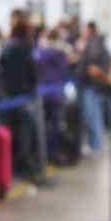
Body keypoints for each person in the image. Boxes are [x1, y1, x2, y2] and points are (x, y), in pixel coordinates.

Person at [0, 12, 39, 178]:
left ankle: (11, 166)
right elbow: (32, 73)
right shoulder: (27, 48)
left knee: (11, 132)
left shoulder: (6, 47)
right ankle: (24, 165)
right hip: (23, 96)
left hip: (7, 96)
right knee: (25, 132)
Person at [34, 28, 71, 164]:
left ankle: (42, 154)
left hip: (41, 92)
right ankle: (53, 153)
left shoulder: (39, 53)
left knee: (42, 125)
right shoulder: (61, 53)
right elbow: (64, 72)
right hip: (56, 92)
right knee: (55, 125)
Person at [77, 21, 111, 154]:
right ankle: (95, 144)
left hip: (91, 85)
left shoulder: (94, 43)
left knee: (92, 115)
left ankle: (95, 145)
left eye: (85, 29)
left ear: (90, 30)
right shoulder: (98, 43)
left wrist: (97, 70)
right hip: (94, 85)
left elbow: (92, 63)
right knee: (94, 115)